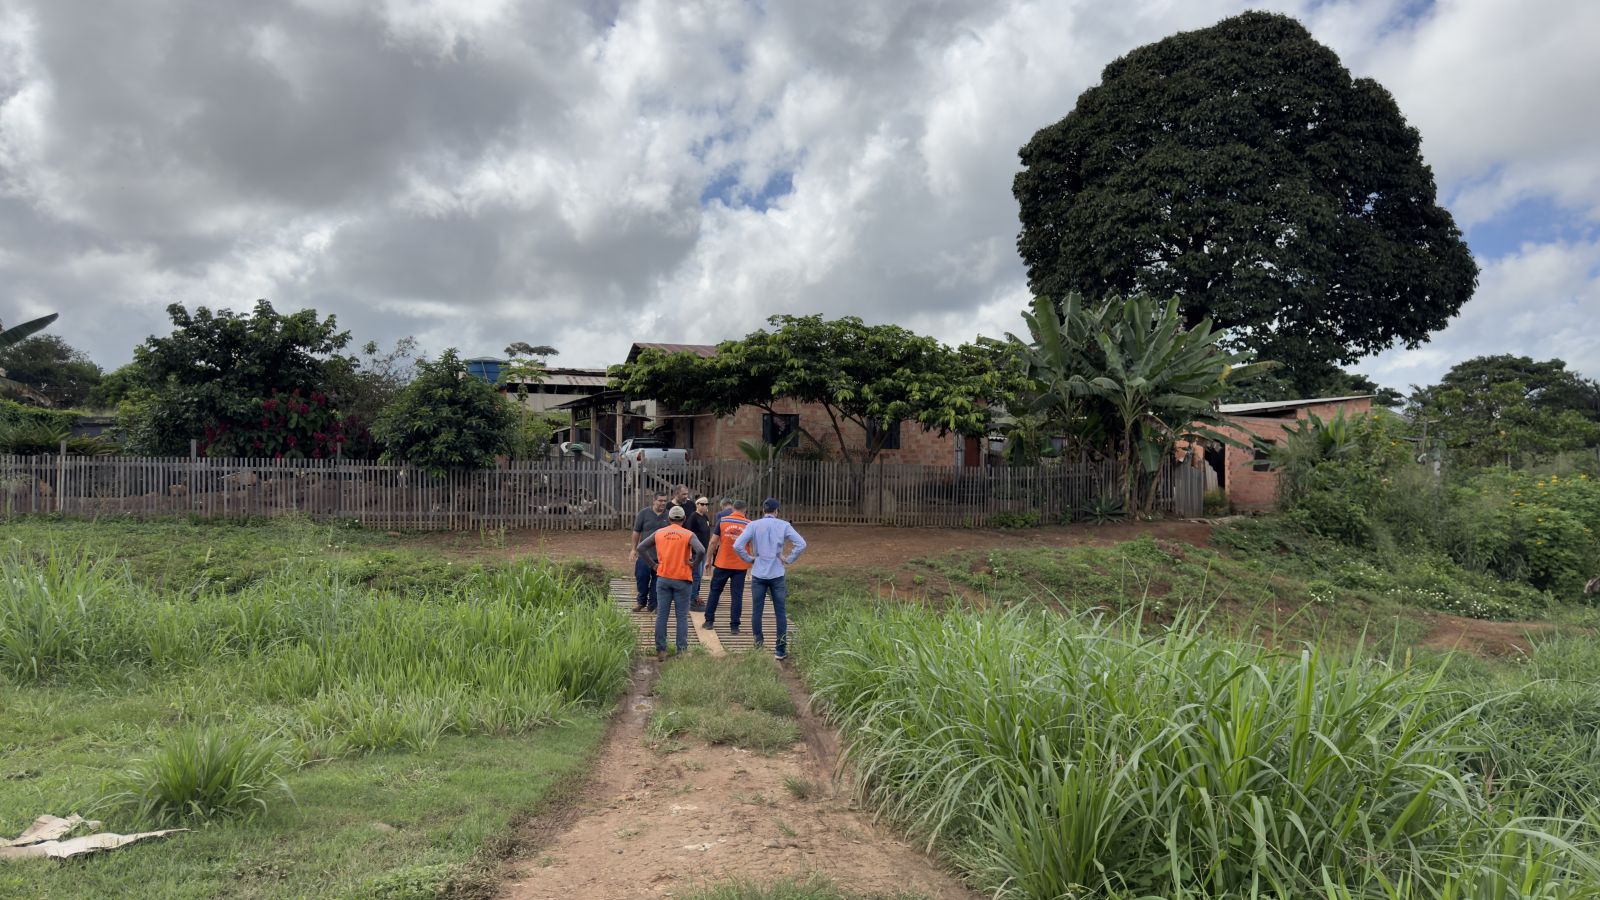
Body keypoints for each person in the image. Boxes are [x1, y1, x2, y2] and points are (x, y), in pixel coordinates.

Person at [733, 497, 806, 661]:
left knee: (756, 611)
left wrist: (749, 558)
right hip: (777, 572)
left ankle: (758, 645)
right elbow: (801, 544)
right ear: (777, 511)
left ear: (763, 510)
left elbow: (737, 545)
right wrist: (789, 558)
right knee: (780, 612)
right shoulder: (784, 525)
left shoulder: (753, 525)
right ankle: (780, 650)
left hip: (758, 572)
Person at [637, 504, 704, 662]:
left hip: (663, 578)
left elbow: (641, 547)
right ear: (684, 519)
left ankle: (661, 650)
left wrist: (653, 565)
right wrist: (694, 564)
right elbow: (701, 550)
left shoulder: (659, 533)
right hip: (682, 579)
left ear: (668, 519)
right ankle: (681, 651)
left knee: (662, 615)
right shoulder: (688, 534)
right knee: (681, 617)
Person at [702, 499, 751, 633]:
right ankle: (734, 626)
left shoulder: (722, 521)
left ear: (732, 509)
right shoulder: (749, 524)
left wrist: (708, 560)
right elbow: (753, 545)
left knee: (715, 591)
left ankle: (709, 621)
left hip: (722, 563)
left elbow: (713, 542)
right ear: (745, 510)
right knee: (737, 595)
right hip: (740, 565)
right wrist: (751, 563)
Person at [628, 492, 670, 612]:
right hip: (645, 555)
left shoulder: (668, 515)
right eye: (660, 501)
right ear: (654, 500)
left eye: (664, 501)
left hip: (662, 556)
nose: (662, 503)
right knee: (641, 578)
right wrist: (633, 549)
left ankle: (653, 605)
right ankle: (641, 602)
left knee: (657, 583)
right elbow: (636, 531)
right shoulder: (644, 513)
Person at [686, 496, 713, 611]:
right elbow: (688, 534)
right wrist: (690, 551)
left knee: (699, 575)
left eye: (707, 504)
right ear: (697, 505)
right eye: (702, 504)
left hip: (704, 551)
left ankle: (695, 595)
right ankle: (691, 599)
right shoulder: (693, 517)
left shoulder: (705, 517)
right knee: (696, 575)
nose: (705, 506)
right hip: (696, 551)